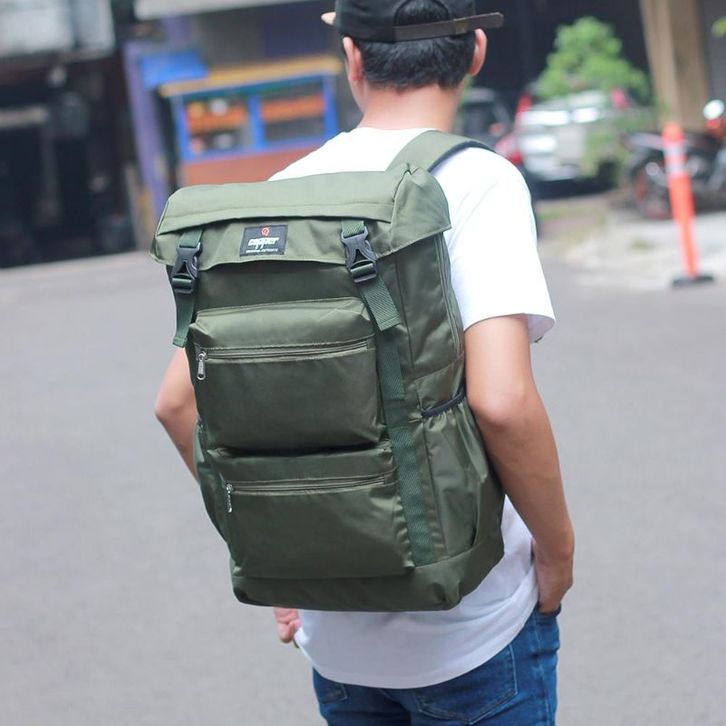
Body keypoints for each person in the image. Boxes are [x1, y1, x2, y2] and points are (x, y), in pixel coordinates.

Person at [155, 1, 575, 722]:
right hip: (471, 629)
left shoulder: (286, 192)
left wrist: (279, 554)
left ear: (351, 55)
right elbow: (501, 401)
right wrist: (558, 550)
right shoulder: (479, 179)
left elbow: (176, 403)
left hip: (338, 643)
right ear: (476, 50)